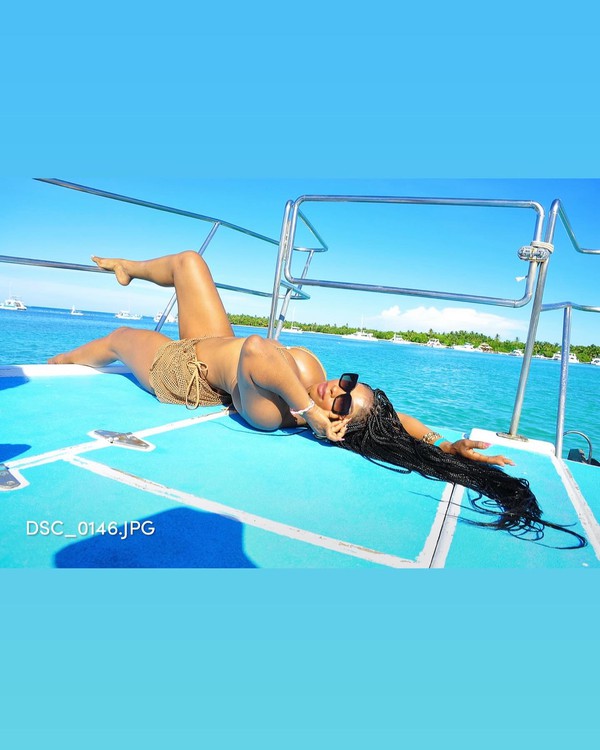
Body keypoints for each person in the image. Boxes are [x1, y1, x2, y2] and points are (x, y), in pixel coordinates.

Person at [49, 251, 586, 549]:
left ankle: (58, 363)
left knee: (119, 338)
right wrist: (443, 445)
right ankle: (130, 269)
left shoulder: (276, 411)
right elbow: (388, 420)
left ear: (335, 426)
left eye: (341, 404)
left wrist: (307, 412)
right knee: (190, 262)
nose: (338, 389)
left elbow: (256, 349)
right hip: (211, 340)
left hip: (184, 372)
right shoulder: (316, 389)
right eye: (350, 384)